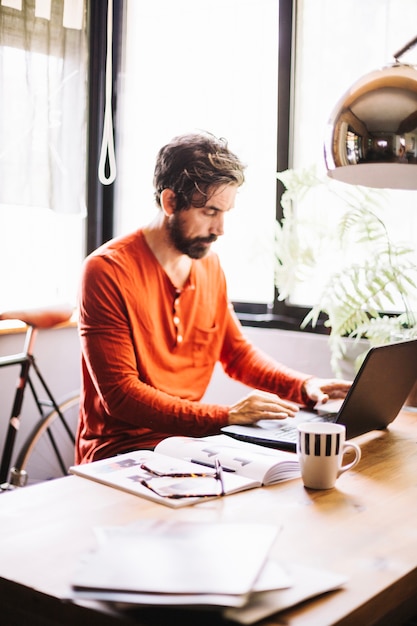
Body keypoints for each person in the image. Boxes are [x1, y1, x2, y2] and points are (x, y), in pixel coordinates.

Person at [75, 132, 351, 464]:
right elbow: (121, 397)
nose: (220, 228)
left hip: (190, 444)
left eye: (225, 213)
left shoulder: (209, 265)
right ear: (169, 202)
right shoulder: (106, 271)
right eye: (209, 212)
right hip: (120, 452)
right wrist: (226, 415)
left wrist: (304, 386)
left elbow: (237, 355)